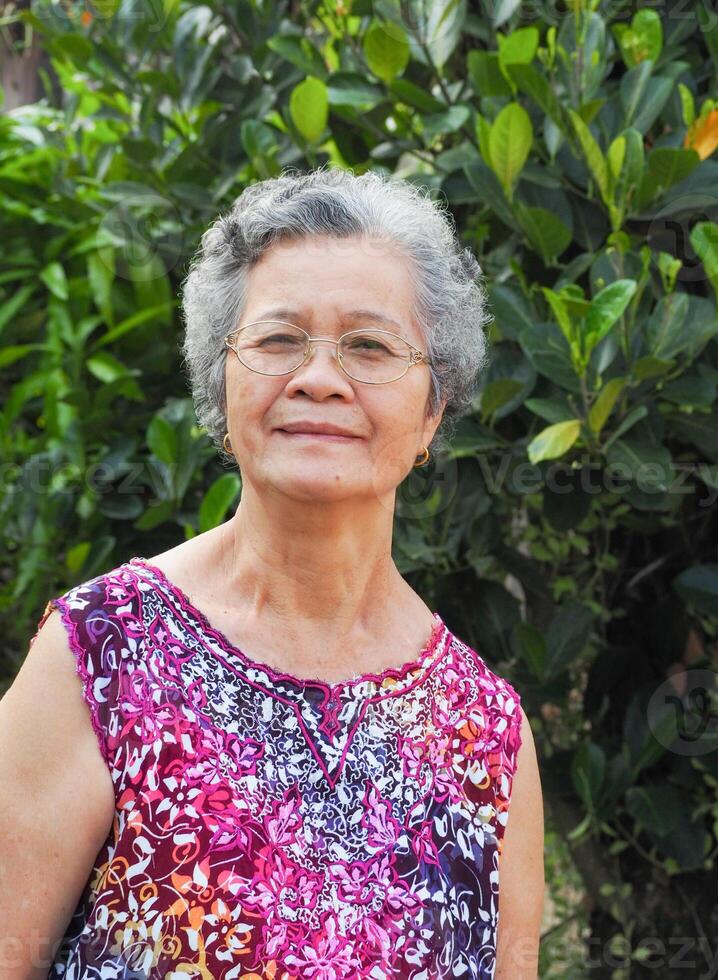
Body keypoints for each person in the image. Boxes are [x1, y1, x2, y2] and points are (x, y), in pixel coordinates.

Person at [0, 166, 544, 979]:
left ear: (434, 406)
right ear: (221, 387)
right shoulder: (101, 655)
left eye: (368, 345)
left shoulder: (486, 733)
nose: (318, 377)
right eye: (278, 339)